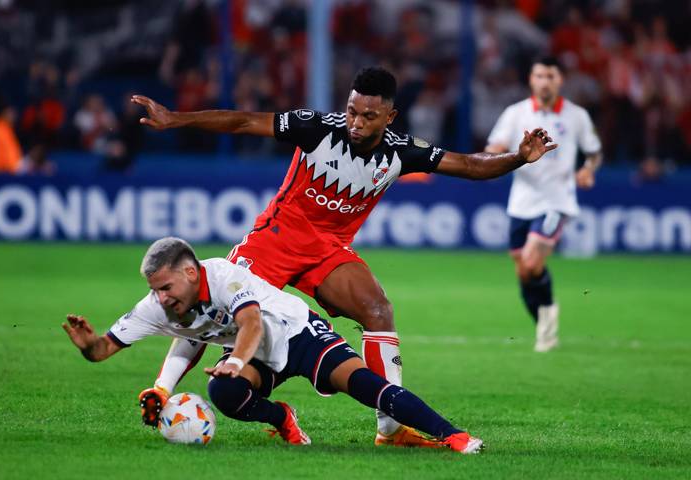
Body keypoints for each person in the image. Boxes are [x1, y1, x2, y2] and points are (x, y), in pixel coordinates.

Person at [131, 66, 556, 446]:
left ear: (389, 117)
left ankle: (390, 428)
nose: (356, 122)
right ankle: (166, 387)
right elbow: (243, 120)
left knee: (377, 308)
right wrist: (176, 119)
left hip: (328, 250)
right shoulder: (315, 127)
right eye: (352, 110)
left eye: (368, 116)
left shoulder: (401, 151)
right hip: (274, 240)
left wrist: (518, 157)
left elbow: (469, 164)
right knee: (212, 304)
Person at [62, 237, 484, 454]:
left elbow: (249, 323)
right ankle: (282, 417)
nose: (162, 298)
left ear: (191, 272)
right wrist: (89, 345)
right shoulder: (160, 304)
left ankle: (455, 436)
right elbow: (106, 349)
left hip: (296, 332)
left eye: (167, 287)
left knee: (365, 386)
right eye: (155, 290)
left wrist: (236, 359)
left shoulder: (225, 275)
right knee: (224, 393)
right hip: (256, 352)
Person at [485, 56, 602, 352]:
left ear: (559, 80)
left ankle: (548, 318)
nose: (545, 81)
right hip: (521, 202)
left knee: (532, 261)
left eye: (550, 76)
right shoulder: (516, 113)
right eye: (540, 75)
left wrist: (588, 169)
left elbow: (594, 152)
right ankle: (544, 322)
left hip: (556, 200)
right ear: (531, 80)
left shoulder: (576, 116)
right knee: (523, 272)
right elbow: (494, 146)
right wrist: (495, 153)